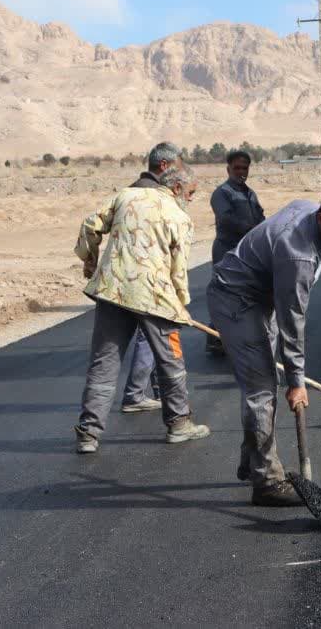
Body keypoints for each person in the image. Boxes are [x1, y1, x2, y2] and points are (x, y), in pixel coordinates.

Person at [206, 188, 321, 506]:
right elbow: (294, 322)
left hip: (262, 295)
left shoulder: (308, 209)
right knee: (262, 389)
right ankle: (266, 481)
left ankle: (251, 461)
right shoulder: (298, 255)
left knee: (263, 383)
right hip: (236, 299)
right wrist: (296, 382)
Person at [73, 165, 211, 453]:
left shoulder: (126, 196)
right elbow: (178, 270)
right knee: (171, 361)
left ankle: (88, 434)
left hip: (112, 291)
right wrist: (181, 305)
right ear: (176, 188)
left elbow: (90, 224)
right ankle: (179, 424)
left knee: (104, 363)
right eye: (191, 193)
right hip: (154, 299)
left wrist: (89, 260)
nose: (191, 199)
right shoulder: (179, 217)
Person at [109, 141, 183, 412]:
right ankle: (137, 394)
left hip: (127, 279)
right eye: (177, 167)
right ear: (164, 166)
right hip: (149, 280)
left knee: (147, 337)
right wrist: (179, 297)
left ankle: (152, 390)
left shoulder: (130, 191)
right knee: (152, 337)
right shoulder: (157, 196)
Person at [205, 149, 265, 356]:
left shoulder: (250, 193)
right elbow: (226, 218)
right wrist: (252, 229)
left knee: (245, 293)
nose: (241, 172)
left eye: (245, 168)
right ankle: (215, 338)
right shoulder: (221, 193)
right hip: (227, 251)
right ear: (228, 169)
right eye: (237, 168)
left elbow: (261, 216)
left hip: (247, 252)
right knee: (224, 293)